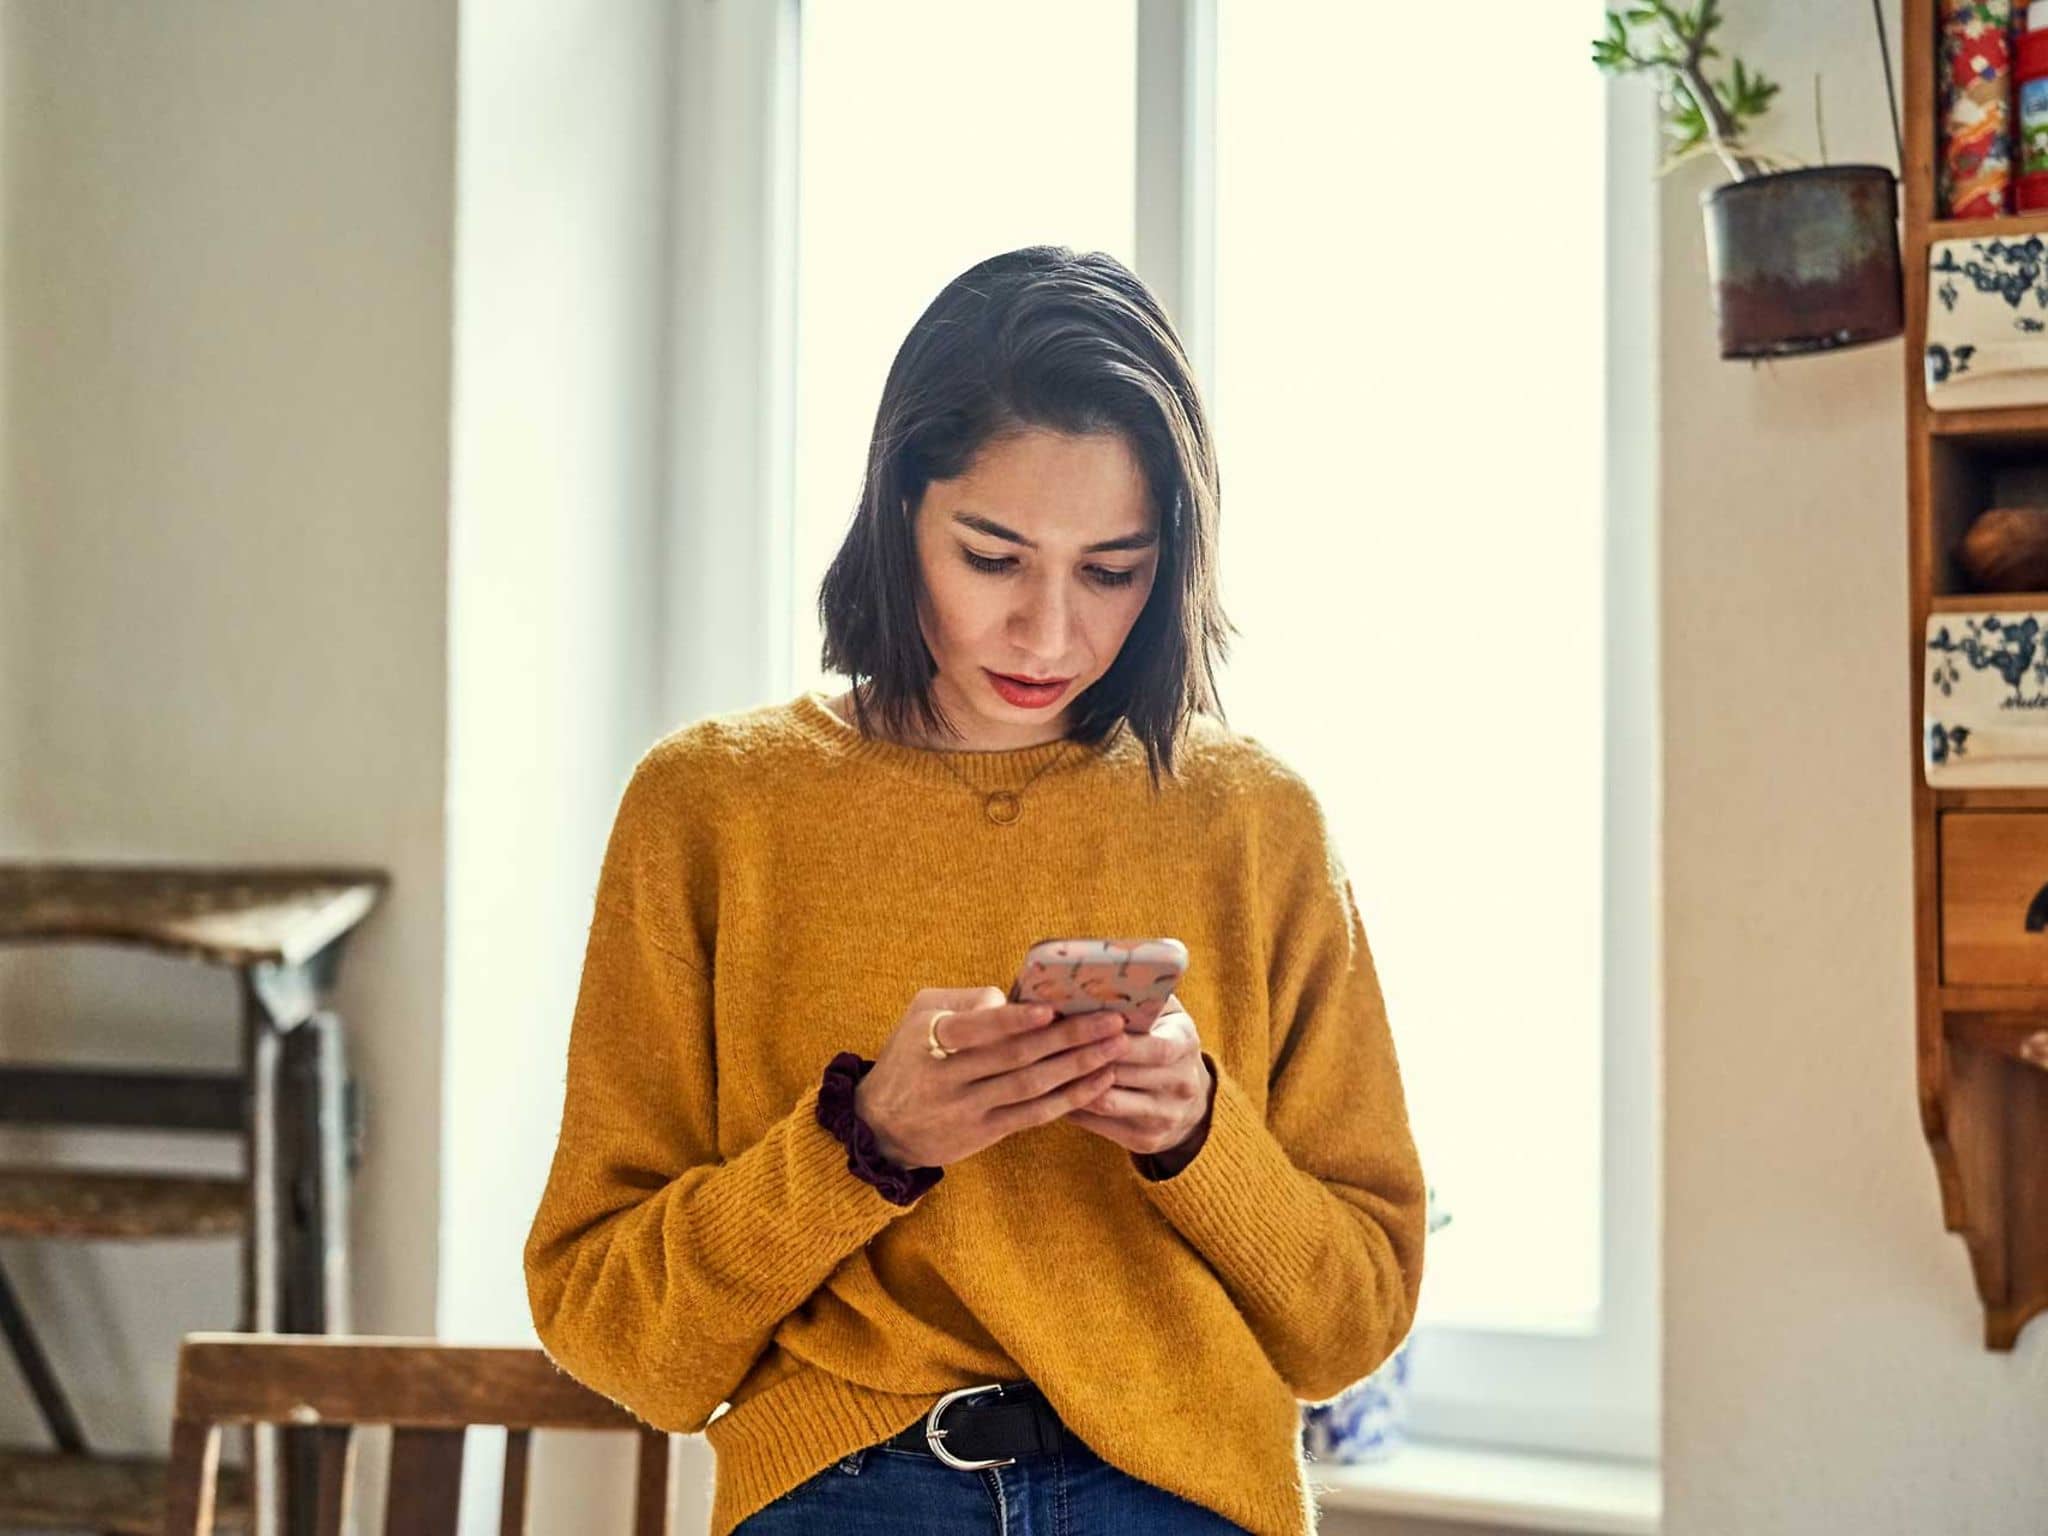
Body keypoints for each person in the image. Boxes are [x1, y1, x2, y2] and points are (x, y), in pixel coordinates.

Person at [522, 245, 1427, 1536]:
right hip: (843, 1488)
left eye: (1112, 570)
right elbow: (619, 1336)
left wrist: (1195, 1136)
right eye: (994, 557)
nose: (1050, 633)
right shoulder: (712, 807)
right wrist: (863, 1143)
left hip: (1185, 1496)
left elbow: (1350, 1326)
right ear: (899, 512)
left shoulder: (1256, 823)